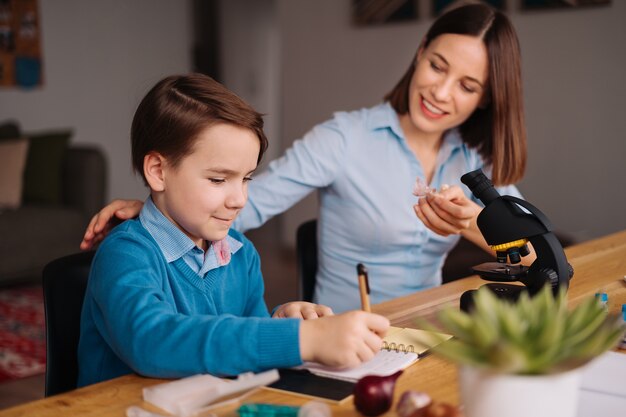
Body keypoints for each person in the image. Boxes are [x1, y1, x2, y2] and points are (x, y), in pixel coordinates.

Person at [80, 3, 533, 313]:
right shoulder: (345, 137)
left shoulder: (473, 162)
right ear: (419, 55)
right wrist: (164, 208)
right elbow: (247, 204)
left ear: (487, 99)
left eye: (467, 86)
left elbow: (536, 256)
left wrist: (472, 224)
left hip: (431, 330)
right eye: (437, 66)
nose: (440, 91)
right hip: (344, 335)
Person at [77, 73, 389, 387]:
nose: (240, 199)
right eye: (218, 179)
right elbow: (151, 341)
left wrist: (279, 321)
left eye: (246, 179)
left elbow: (242, 339)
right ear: (159, 171)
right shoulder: (125, 254)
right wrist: (299, 340)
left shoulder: (241, 254)